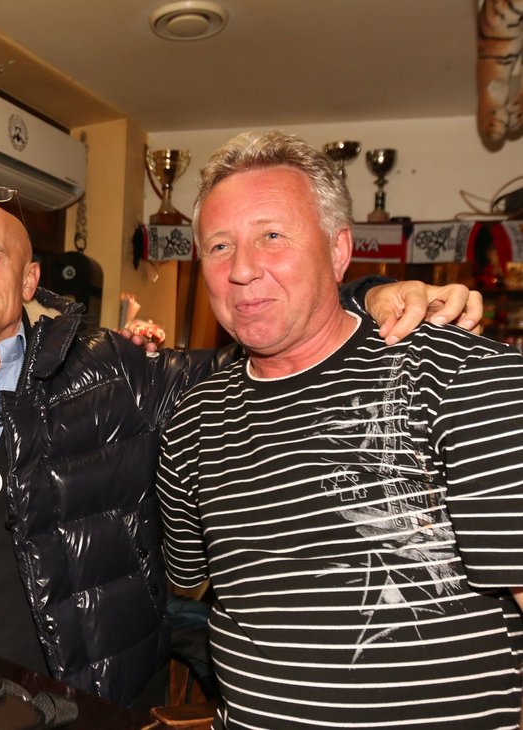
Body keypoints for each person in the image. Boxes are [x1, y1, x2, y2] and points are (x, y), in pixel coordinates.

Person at [0, 195, 482, 708]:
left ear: (28, 279)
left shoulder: (112, 369)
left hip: (85, 700)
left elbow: (256, 353)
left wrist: (362, 300)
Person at [157, 130, 523, 728]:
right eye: (220, 246)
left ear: (338, 251)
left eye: (272, 236)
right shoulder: (193, 419)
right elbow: (190, 580)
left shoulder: (460, 372)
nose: (241, 270)